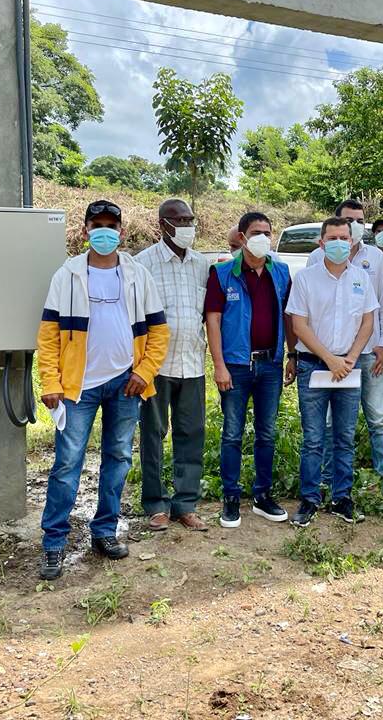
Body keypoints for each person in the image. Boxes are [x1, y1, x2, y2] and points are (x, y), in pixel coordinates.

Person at [37, 200, 169, 580]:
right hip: (79, 388)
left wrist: (144, 372)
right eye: (98, 225)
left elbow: (158, 331)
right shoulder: (69, 275)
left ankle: (105, 531)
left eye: (112, 225)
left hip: (126, 383)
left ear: (122, 232)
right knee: (67, 464)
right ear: (85, 232)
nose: (105, 232)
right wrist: (50, 381)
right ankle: (54, 543)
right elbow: (48, 335)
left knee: (118, 458)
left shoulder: (137, 275)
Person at [205, 211, 295, 528]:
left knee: (266, 433)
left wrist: (292, 354)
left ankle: (262, 495)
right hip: (236, 366)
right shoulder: (222, 273)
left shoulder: (281, 272)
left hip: (270, 364)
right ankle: (230, 497)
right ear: (242, 237)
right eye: (257, 232)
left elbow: (289, 316)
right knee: (231, 433)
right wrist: (219, 365)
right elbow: (213, 321)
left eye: (267, 232)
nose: (263, 238)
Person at [287, 216, 378, 527]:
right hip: (315, 366)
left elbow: (368, 321)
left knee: (344, 437)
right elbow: (299, 325)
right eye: (333, 238)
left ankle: (342, 498)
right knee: (313, 438)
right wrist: (330, 359)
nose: (340, 243)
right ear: (321, 242)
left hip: (348, 367)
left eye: (345, 238)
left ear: (351, 242)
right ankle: (310, 499)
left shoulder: (361, 278)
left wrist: (349, 358)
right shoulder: (306, 279)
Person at [307, 199, 383, 490]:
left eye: (360, 221)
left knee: (378, 418)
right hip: (331, 356)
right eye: (349, 220)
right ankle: (330, 479)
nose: (355, 226)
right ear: (338, 223)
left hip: (370, 352)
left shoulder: (375, 257)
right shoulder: (315, 259)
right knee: (334, 424)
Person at [134, 198, 210, 532]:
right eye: (179, 221)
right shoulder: (142, 264)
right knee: (153, 434)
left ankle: (186, 503)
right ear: (162, 225)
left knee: (191, 433)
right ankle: (155, 504)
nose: (186, 227)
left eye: (190, 220)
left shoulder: (201, 264)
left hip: (192, 363)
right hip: (155, 367)